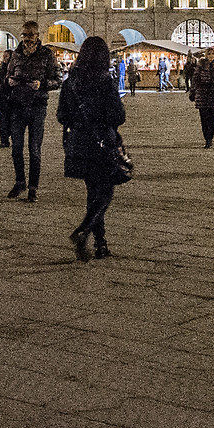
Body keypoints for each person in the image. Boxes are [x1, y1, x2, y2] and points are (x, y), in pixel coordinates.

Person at [57, 36, 127, 260]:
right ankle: (84, 231)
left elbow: (61, 116)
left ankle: (100, 244)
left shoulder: (70, 82)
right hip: (102, 142)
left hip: (79, 143)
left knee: (92, 192)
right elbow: (118, 115)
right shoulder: (105, 81)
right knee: (105, 192)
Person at [1, 21, 59, 201]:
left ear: (37, 35)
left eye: (30, 35)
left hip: (37, 106)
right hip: (17, 105)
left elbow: (57, 79)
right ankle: (20, 182)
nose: (27, 39)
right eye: (24, 35)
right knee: (16, 148)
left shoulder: (47, 55)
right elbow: (6, 77)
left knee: (34, 149)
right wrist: (9, 81)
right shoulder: (16, 55)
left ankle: (33, 186)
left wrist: (42, 84)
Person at [188, 51, 214, 149]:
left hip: (213, 95)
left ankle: (210, 139)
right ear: (206, 55)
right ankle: (206, 138)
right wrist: (193, 92)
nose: (211, 56)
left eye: (212, 54)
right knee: (204, 118)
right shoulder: (200, 65)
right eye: (209, 54)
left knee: (212, 119)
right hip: (202, 94)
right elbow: (195, 79)